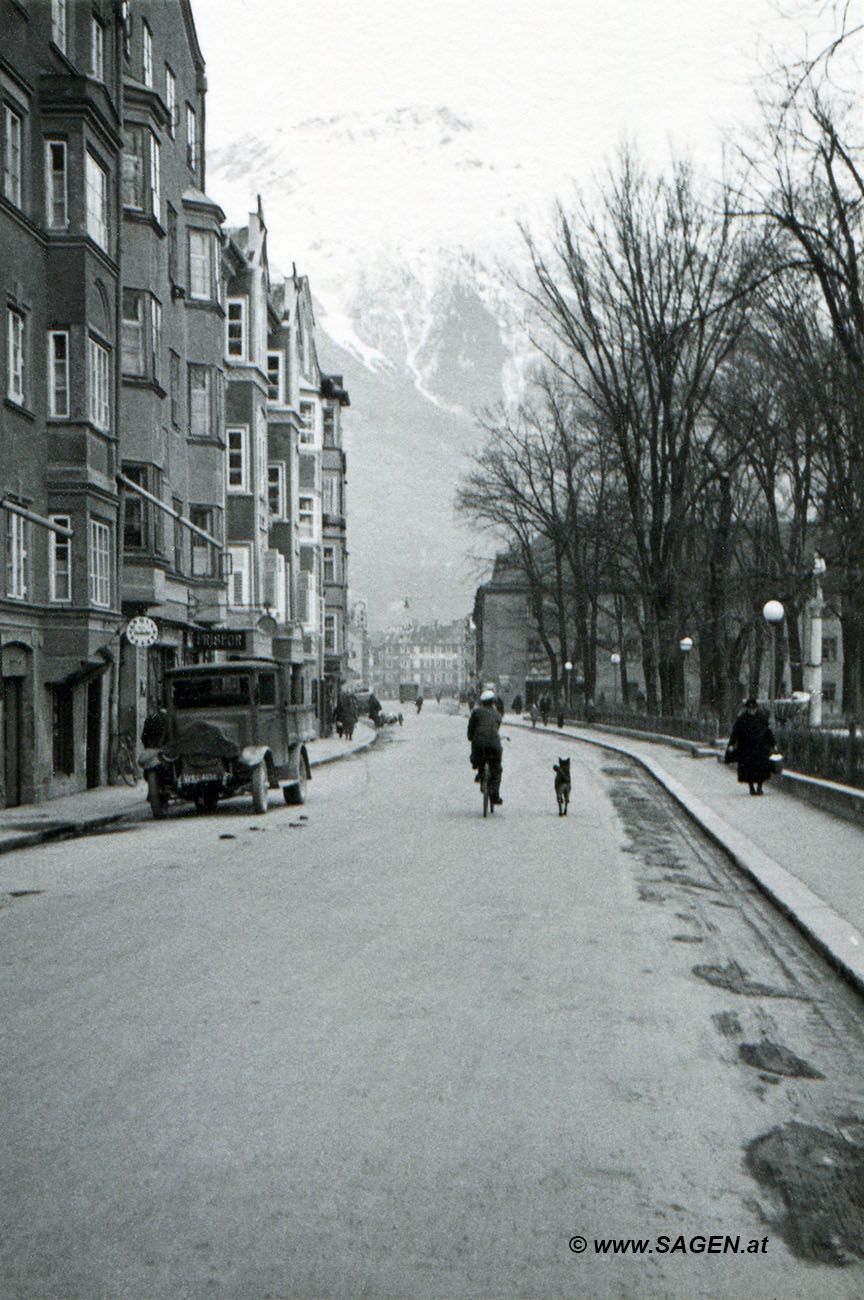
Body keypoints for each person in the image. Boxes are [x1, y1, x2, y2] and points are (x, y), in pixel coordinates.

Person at [726, 697, 775, 796]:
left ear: (756, 708)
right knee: (748, 770)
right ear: (747, 709)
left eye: (753, 708)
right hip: (746, 749)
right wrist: (731, 744)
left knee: (761, 769)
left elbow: (768, 732)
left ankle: (760, 788)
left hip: (760, 749)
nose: (752, 710)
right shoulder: (742, 719)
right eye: (750, 708)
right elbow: (735, 732)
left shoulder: (761, 718)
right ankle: (752, 788)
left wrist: (773, 744)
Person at [467, 687, 503, 804]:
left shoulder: (476, 712)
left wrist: (470, 736)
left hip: (479, 743)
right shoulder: (497, 714)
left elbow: (471, 728)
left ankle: (479, 770)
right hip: (493, 743)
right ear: (493, 702)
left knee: (477, 754)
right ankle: (495, 795)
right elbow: (496, 727)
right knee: (497, 768)